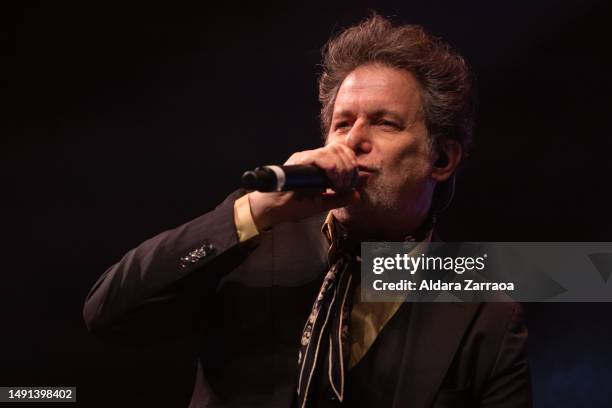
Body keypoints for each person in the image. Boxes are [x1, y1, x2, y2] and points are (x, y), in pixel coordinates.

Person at [83, 14, 532, 408]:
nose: (352, 140)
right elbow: (106, 313)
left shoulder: (482, 307)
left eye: (385, 123)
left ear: (441, 160)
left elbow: (597, 271)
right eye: (342, 123)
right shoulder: (256, 231)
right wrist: (254, 211)